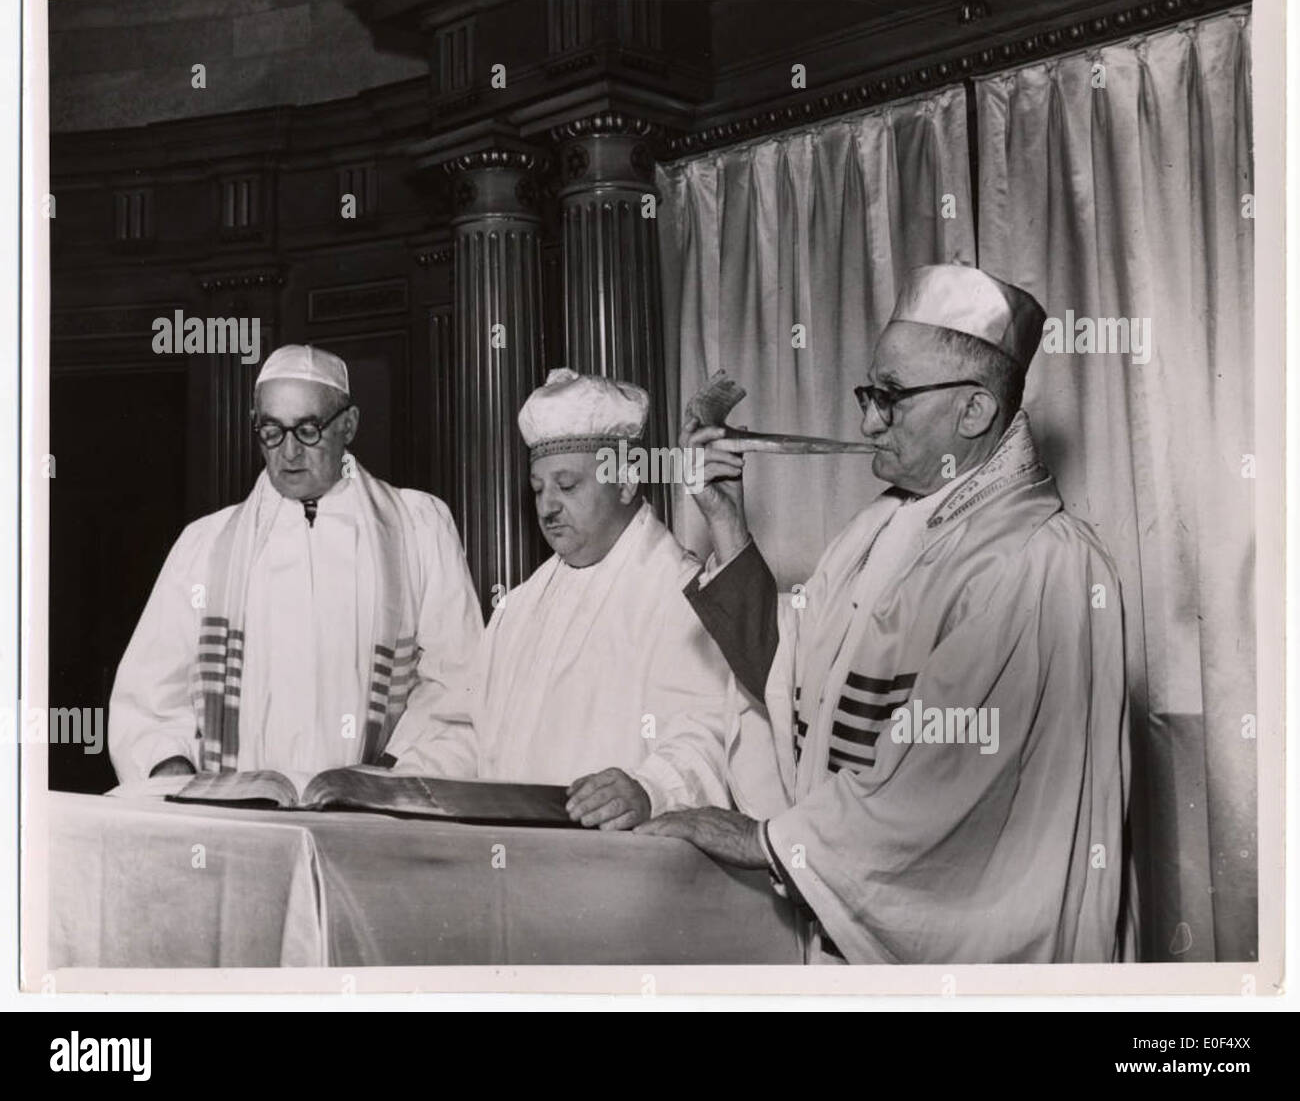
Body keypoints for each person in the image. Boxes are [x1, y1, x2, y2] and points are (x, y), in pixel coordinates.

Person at [640, 264, 1130, 963]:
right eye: (871, 391)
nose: (868, 418)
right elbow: (792, 688)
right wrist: (727, 522)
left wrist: (762, 839)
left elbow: (939, 794)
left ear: (974, 412)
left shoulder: (1038, 564)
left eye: (891, 397)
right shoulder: (882, 528)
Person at [389, 368, 745, 830]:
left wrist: (648, 788)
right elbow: (471, 733)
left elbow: (708, 734)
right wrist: (404, 783)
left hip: (620, 867)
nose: (547, 506)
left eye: (568, 485)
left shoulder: (680, 592)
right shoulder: (518, 607)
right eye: (538, 489)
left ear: (627, 480)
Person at [108, 344, 483, 782]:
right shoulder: (206, 545)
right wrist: (173, 770)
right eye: (271, 430)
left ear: (348, 425)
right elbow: (150, 699)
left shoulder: (417, 529)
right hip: (235, 820)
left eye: (307, 430)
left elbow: (457, 688)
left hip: (374, 815)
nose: (288, 453)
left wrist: (392, 781)